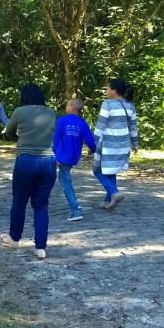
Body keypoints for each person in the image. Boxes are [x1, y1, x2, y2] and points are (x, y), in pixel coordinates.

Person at [1, 83, 57, 260]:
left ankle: (14, 238)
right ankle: (41, 247)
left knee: (19, 202)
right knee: (41, 205)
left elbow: (8, 132)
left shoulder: (20, 111)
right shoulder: (51, 112)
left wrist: (20, 133)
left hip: (26, 160)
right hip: (48, 161)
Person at [93, 78, 139, 211]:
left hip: (108, 144)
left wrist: (93, 143)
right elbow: (133, 127)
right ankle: (108, 201)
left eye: (107, 88)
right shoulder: (130, 105)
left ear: (114, 91)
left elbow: (101, 125)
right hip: (123, 145)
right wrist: (135, 144)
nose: (106, 91)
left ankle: (114, 192)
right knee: (110, 171)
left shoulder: (107, 104)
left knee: (97, 170)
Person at [53, 99, 96, 221]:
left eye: (67, 105)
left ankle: (75, 210)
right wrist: (92, 151)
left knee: (66, 183)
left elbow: (55, 140)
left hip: (61, 156)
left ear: (71, 107)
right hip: (73, 157)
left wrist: (55, 155)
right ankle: (75, 205)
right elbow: (90, 142)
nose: (66, 107)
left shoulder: (61, 120)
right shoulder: (82, 123)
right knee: (63, 179)